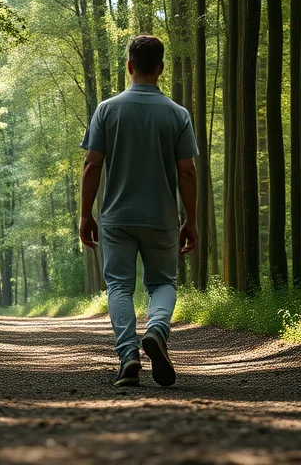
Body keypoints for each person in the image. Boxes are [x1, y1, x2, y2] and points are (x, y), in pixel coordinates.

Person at [79, 34, 199, 388]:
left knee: (118, 285)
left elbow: (91, 165)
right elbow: (187, 171)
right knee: (162, 282)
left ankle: (128, 356)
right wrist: (191, 220)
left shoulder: (107, 109)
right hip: (161, 218)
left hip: (116, 218)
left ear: (129, 66)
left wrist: (86, 213)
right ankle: (158, 332)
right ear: (161, 68)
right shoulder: (177, 114)